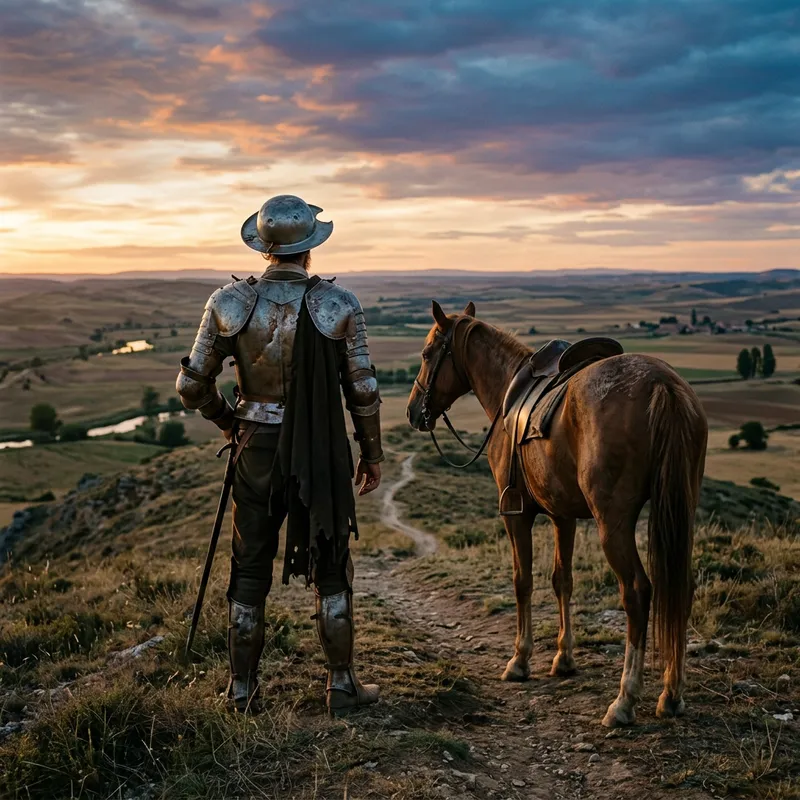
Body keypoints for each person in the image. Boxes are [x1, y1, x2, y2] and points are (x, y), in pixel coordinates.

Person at [176, 194, 383, 714]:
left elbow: (190, 385)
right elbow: (362, 390)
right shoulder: (338, 304)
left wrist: (229, 423)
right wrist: (371, 452)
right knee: (332, 562)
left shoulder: (229, 303)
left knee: (249, 568)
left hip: (256, 447)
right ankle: (341, 685)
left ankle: (242, 691)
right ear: (310, 247)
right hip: (320, 451)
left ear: (263, 246)